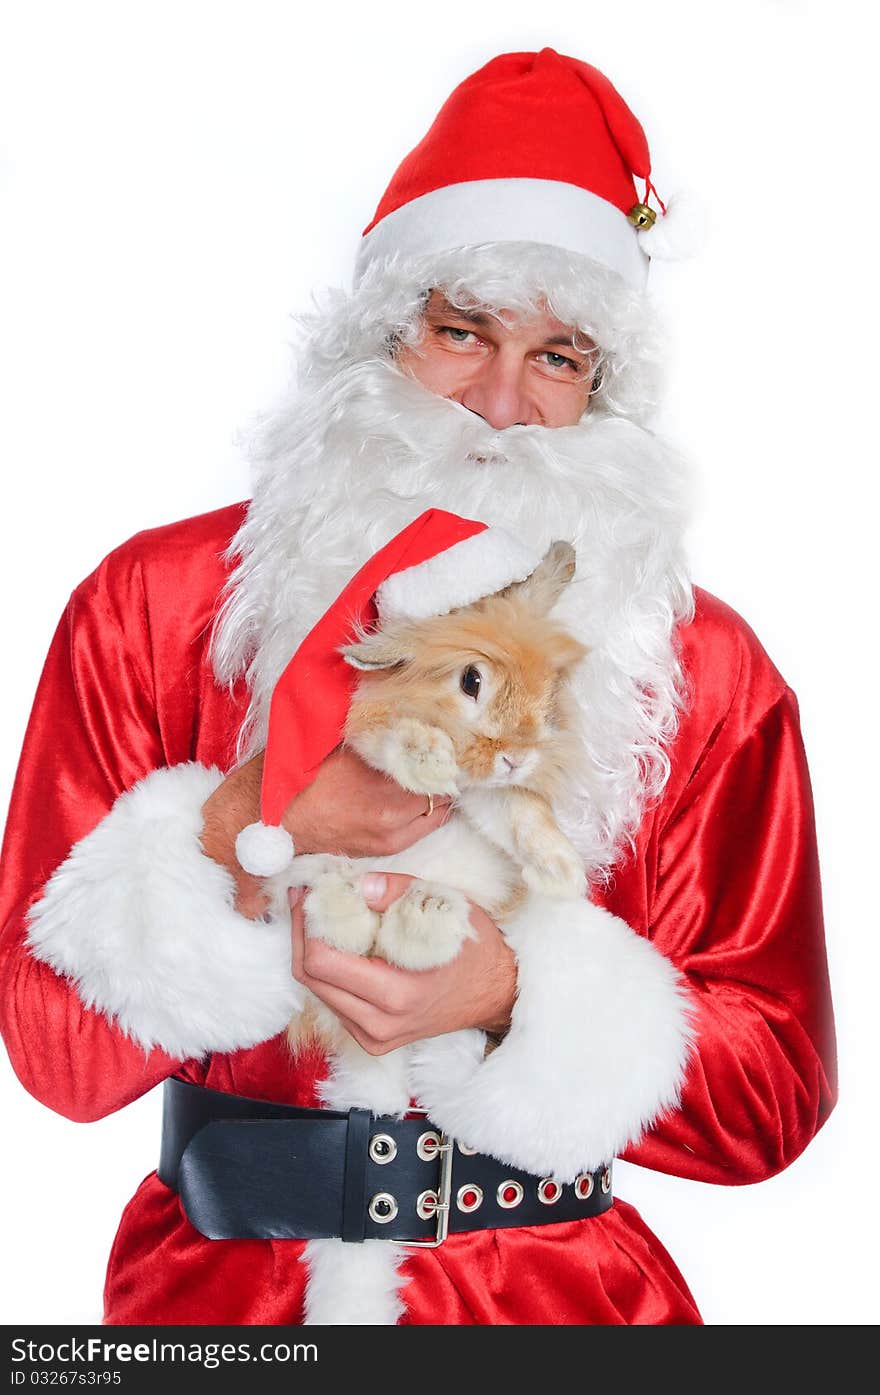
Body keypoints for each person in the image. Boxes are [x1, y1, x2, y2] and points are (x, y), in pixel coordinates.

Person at [0, 48, 836, 1326]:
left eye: (558, 358)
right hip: (218, 1310)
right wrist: (243, 833)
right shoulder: (157, 605)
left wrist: (514, 995)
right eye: (460, 332)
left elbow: (771, 1098)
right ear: (376, 336)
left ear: (602, 398)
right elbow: (54, 1057)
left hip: (555, 1309)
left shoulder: (699, 665)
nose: (500, 404)